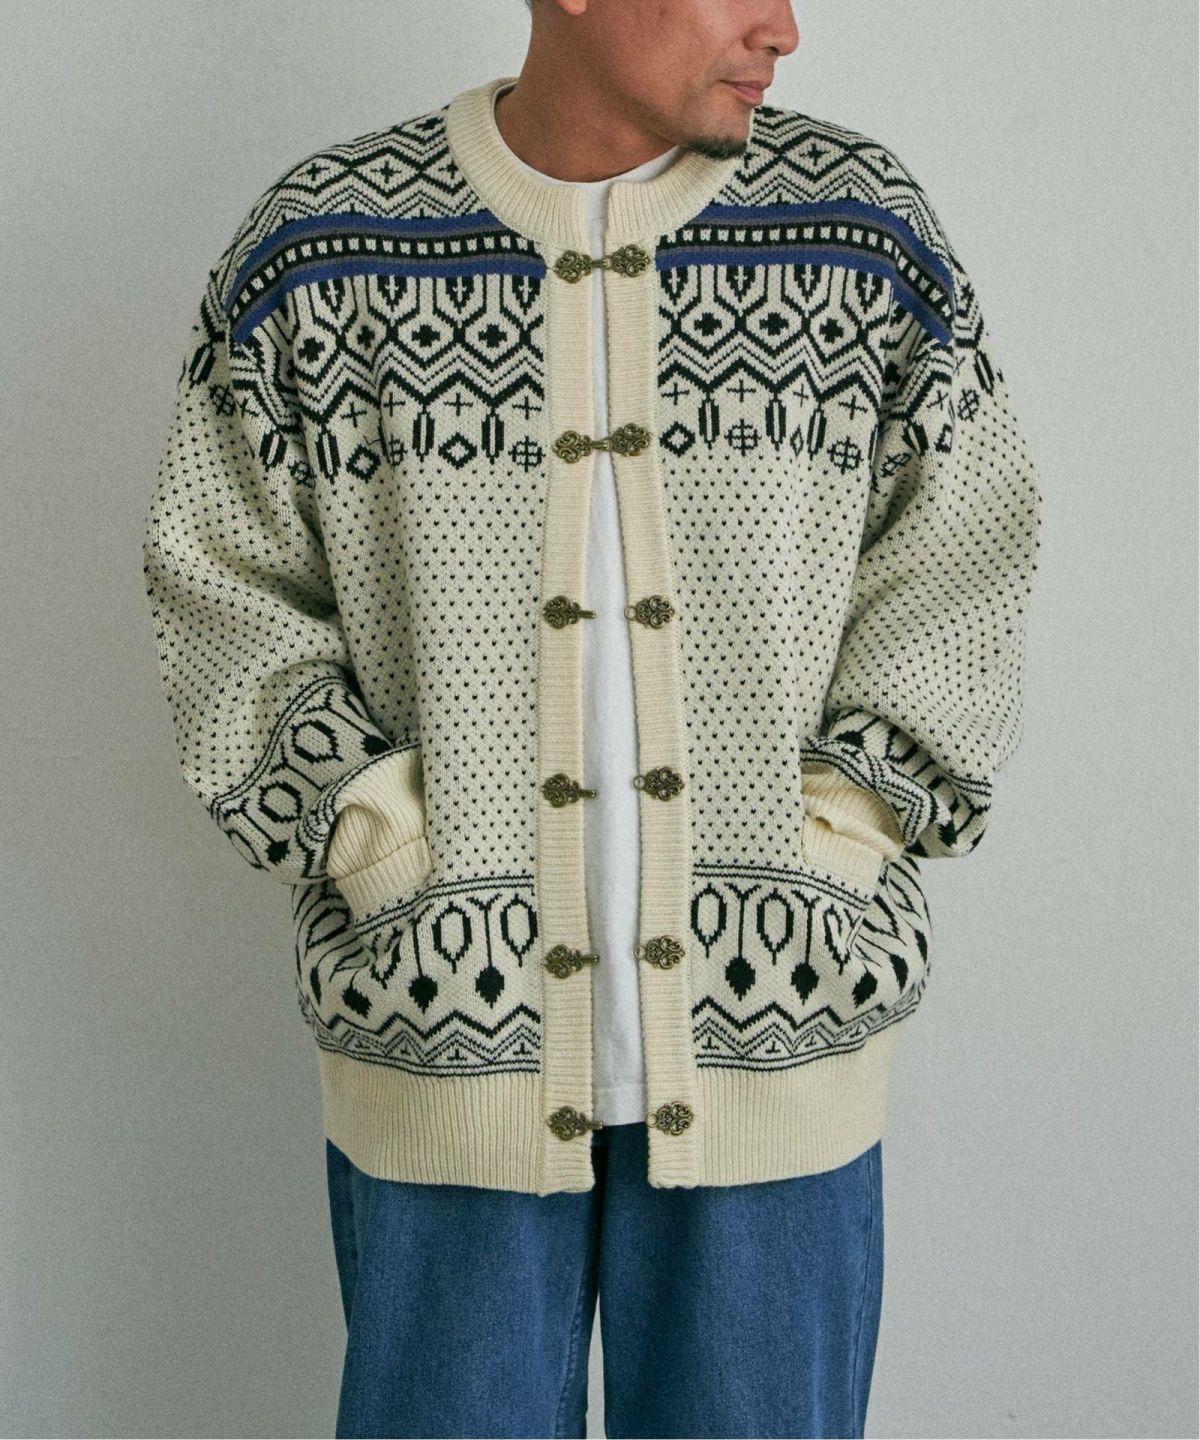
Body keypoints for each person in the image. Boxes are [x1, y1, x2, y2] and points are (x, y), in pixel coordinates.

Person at [142, 1, 1043, 1434]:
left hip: (778, 1037)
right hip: (442, 1033)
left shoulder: (862, 234)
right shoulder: (323, 248)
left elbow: (960, 560)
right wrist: (375, 840)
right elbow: (221, 587)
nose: (784, 28)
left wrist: (840, 837)